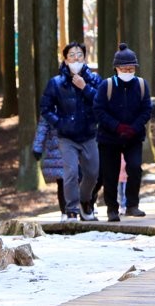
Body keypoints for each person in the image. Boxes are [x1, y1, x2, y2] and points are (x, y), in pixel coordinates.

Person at [40, 42, 102, 221]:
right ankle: (71, 209)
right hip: (66, 137)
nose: (76, 58)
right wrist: (59, 123)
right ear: (65, 60)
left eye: (80, 55)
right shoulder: (56, 83)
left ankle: (85, 201)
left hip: (89, 134)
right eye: (72, 55)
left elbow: (102, 103)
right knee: (70, 173)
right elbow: (46, 108)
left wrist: (85, 87)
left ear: (85, 58)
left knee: (92, 173)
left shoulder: (95, 80)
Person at [94, 43, 152, 222]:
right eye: (124, 68)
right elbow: (99, 110)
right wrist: (117, 126)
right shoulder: (107, 86)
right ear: (116, 68)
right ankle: (112, 208)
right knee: (109, 173)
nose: (128, 71)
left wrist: (134, 127)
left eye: (131, 68)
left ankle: (132, 205)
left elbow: (146, 110)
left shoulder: (141, 85)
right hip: (109, 137)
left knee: (134, 167)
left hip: (134, 136)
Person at [32, 118, 66, 214]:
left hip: (79, 143)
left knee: (82, 178)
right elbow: (43, 125)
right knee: (62, 181)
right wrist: (37, 146)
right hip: (57, 148)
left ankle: (86, 205)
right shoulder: (50, 105)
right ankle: (65, 212)